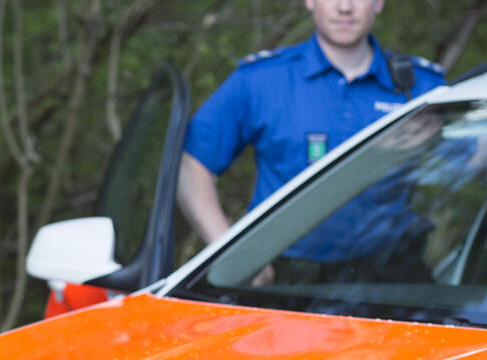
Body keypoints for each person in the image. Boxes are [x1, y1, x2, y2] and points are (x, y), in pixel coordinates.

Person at [177, 0, 447, 279]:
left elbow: (471, 161)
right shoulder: (263, 80)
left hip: (394, 280)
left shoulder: (421, 87)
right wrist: (232, 254)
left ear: (379, 3)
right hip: (286, 280)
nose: (345, 7)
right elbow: (192, 164)